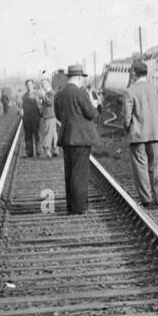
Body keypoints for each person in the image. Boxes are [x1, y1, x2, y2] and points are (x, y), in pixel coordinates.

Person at [121, 59, 158, 207]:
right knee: (155, 165)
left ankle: (146, 199)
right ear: (146, 72)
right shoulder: (157, 88)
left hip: (138, 135)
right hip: (155, 133)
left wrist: (128, 128)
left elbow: (126, 116)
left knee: (141, 167)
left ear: (134, 73)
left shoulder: (130, 91)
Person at [54, 64, 100, 213]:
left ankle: (71, 206)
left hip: (66, 137)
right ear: (79, 77)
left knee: (70, 172)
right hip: (80, 138)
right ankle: (79, 207)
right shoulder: (80, 93)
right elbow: (91, 114)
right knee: (80, 173)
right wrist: (95, 105)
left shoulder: (59, 94)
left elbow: (58, 116)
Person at [21, 80, 41, 158]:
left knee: (37, 135)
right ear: (26, 86)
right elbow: (21, 107)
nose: (29, 86)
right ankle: (29, 153)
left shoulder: (37, 94)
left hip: (36, 118)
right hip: (27, 119)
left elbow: (41, 106)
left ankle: (39, 152)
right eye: (27, 85)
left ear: (33, 85)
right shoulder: (24, 96)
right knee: (28, 136)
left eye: (30, 84)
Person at [38, 82, 59, 158]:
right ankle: (55, 149)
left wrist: (43, 96)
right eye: (43, 84)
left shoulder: (51, 92)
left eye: (45, 84)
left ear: (49, 84)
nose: (43, 85)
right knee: (53, 133)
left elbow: (50, 102)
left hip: (49, 115)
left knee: (47, 133)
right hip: (50, 115)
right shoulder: (49, 92)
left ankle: (47, 152)